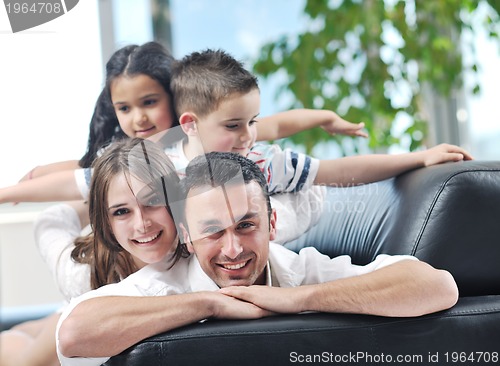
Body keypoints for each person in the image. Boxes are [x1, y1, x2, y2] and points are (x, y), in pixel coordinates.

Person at [56, 152, 459, 366]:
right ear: (188, 237)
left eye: (246, 225)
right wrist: (213, 303)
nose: (233, 249)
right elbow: (73, 335)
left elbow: (438, 286)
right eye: (213, 232)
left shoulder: (296, 268)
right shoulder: (162, 285)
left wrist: (297, 300)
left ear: (272, 222)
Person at [1, 41, 366, 205]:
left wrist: (327, 118)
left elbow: (277, 125)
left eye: (149, 102)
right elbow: (83, 171)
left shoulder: (204, 134)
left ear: (174, 101)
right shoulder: (132, 153)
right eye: (124, 109)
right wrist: (32, 177)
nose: (138, 118)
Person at [0, 138, 183, 366]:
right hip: (79, 304)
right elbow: (50, 221)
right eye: (122, 211)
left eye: (153, 201)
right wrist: (101, 193)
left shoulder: (202, 245)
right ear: (104, 221)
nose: (142, 224)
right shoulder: (78, 273)